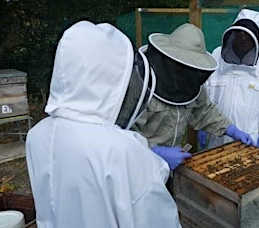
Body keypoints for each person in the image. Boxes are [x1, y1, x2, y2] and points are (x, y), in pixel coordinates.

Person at [26, 21, 181, 227]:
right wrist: (154, 164)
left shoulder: (37, 134)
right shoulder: (123, 149)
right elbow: (156, 220)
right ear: (110, 77)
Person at [133, 23, 255, 170]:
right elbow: (123, 135)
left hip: (171, 165)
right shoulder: (140, 84)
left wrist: (230, 128)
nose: (185, 68)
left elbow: (205, 111)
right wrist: (154, 152)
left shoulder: (190, 81)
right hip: (138, 166)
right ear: (167, 56)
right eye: (182, 62)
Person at [199, 9, 259, 151]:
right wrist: (202, 124)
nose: (243, 37)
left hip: (249, 139)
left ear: (257, 37)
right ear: (232, 34)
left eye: (249, 34)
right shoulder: (217, 55)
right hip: (215, 135)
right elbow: (206, 92)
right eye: (240, 33)